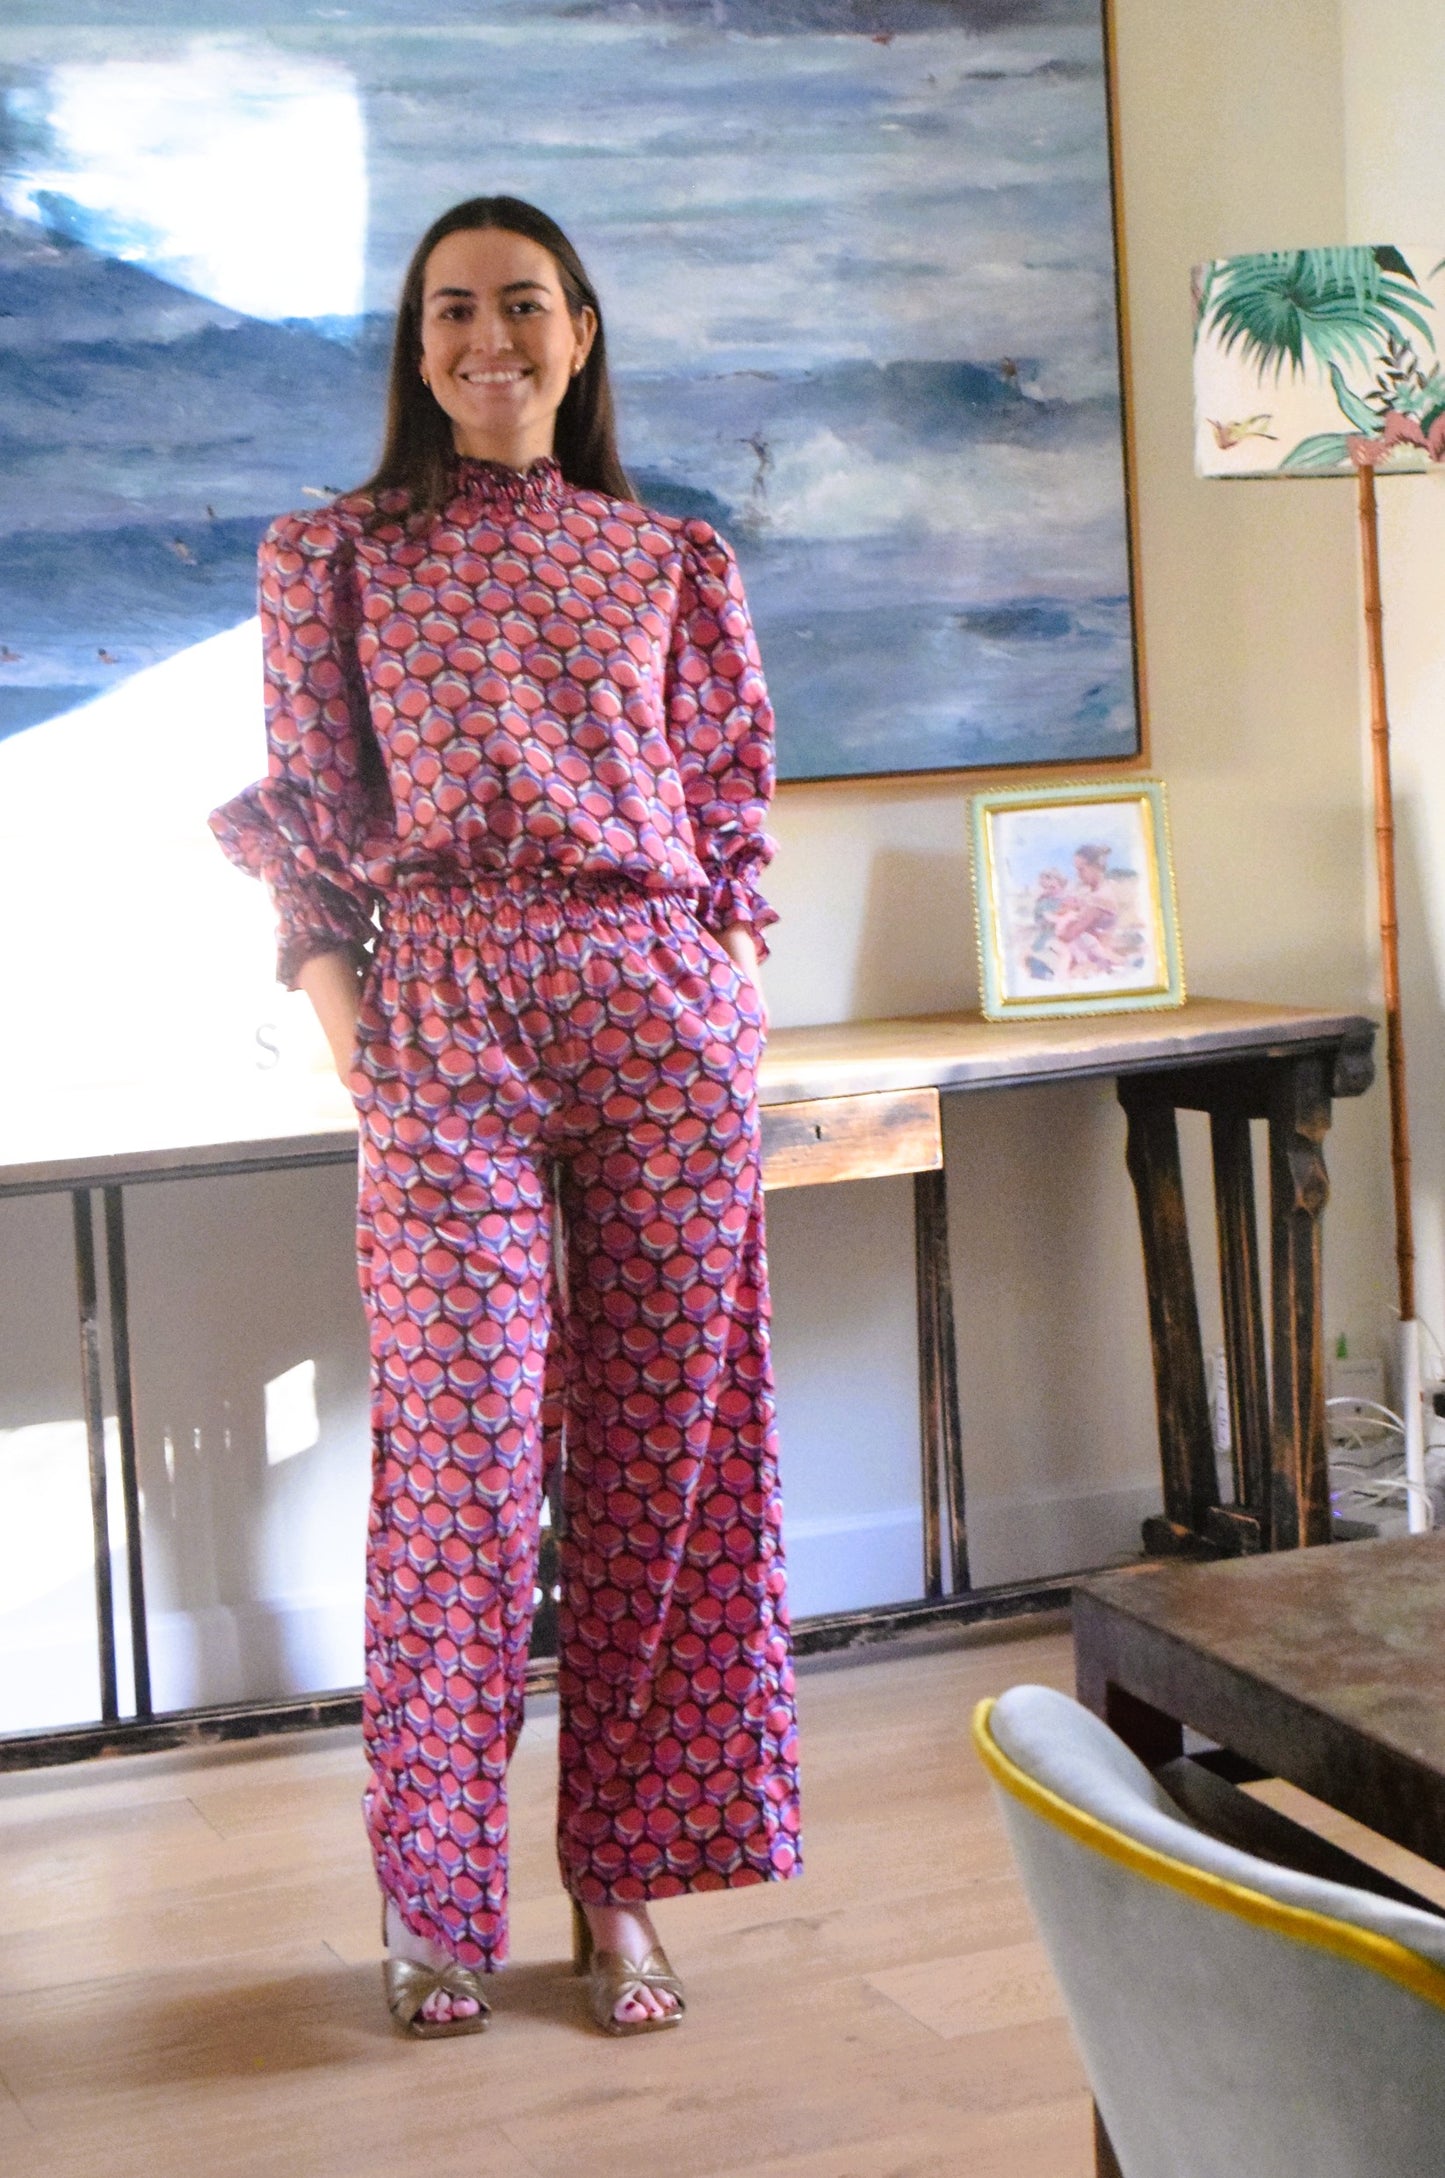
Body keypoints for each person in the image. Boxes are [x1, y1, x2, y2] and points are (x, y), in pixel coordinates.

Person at [211, 196, 802, 2039]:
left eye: (523, 304)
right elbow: (308, 828)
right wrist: (360, 1043)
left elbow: (727, 814)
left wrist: (726, 992)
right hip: (446, 1007)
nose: (490, 336)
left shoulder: (670, 558)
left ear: (581, 330)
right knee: (460, 1469)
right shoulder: (332, 556)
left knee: (665, 1461)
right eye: (453, 307)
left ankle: (621, 1887)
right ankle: (436, 1893)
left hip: (656, 1011)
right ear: (416, 345)